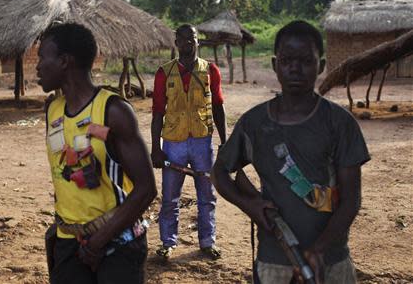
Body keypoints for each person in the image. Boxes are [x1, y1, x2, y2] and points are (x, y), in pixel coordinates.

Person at [212, 20, 370, 283]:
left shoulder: (340, 123)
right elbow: (219, 171)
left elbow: (351, 200)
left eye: (306, 61)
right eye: (287, 61)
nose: (295, 69)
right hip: (274, 260)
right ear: (275, 65)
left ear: (320, 66)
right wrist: (249, 204)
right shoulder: (254, 124)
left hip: (330, 261)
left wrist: (319, 249)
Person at [37, 23, 157, 284]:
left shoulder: (113, 111)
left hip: (117, 243)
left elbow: (146, 189)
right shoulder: (52, 111)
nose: (37, 66)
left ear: (64, 61)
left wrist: (98, 241)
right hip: (69, 242)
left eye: (42, 57)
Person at [151, 24, 227, 260]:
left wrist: (225, 142)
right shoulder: (164, 73)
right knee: (170, 197)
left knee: (207, 195)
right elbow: (157, 113)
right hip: (173, 143)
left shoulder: (210, 71)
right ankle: (167, 243)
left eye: (192, 38)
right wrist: (156, 148)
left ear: (198, 41)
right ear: (176, 43)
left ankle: (207, 241)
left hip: (203, 142)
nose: (188, 42)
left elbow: (218, 107)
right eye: (183, 39)